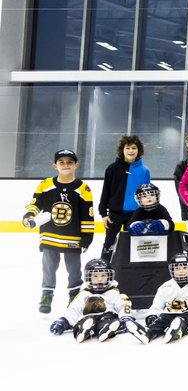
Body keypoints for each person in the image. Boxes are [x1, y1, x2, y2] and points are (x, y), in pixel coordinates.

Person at [24, 148, 95, 314]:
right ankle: (47, 295)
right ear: (54, 165)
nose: (65, 165)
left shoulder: (83, 188)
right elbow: (35, 204)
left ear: (76, 165)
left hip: (72, 236)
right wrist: (29, 215)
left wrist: (87, 238)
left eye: (70, 162)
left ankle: (74, 296)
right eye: (61, 162)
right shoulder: (45, 184)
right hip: (49, 235)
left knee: (74, 268)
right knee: (48, 267)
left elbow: (88, 215)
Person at [49, 258, 143, 343]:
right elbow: (74, 309)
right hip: (87, 317)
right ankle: (83, 329)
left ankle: (105, 329)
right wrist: (64, 321)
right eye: (95, 276)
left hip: (107, 316)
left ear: (109, 276)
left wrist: (126, 317)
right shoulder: (84, 294)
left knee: (107, 320)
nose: (100, 279)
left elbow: (124, 305)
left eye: (103, 275)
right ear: (88, 277)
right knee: (85, 321)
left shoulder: (114, 293)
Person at [97, 135, 152, 260]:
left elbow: (147, 194)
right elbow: (106, 191)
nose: (131, 151)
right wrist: (103, 213)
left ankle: (129, 270)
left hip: (135, 214)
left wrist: (146, 213)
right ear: (122, 150)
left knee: (132, 244)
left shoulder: (144, 171)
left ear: (139, 150)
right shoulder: (112, 168)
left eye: (134, 148)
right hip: (114, 214)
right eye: (128, 148)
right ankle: (104, 267)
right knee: (109, 243)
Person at [144, 252, 188, 343]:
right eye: (177, 268)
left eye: (185, 268)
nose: (181, 271)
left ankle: (178, 329)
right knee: (162, 319)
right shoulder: (165, 287)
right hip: (169, 313)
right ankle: (150, 333)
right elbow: (156, 307)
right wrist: (151, 316)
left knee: (186, 318)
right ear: (172, 270)